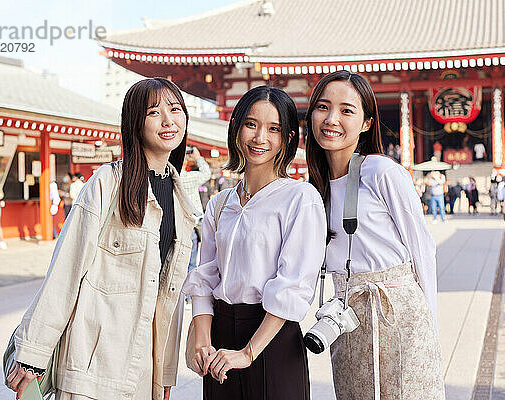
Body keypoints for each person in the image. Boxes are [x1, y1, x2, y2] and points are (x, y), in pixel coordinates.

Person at [6, 77, 198, 400]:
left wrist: (165, 373)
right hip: (92, 368)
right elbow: (65, 270)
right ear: (135, 124)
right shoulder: (107, 185)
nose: (168, 120)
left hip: (142, 370)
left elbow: (169, 298)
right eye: (154, 112)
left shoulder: (182, 201)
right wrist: (31, 353)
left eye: (175, 109)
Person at [305, 71, 444, 399]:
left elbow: (422, 248)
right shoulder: (313, 189)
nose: (331, 119)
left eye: (346, 110)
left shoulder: (382, 172)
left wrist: (430, 327)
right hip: (347, 317)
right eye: (323, 107)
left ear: (367, 123)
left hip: (397, 312)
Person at [182, 86, 326, 400]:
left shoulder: (301, 199)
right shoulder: (219, 204)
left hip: (272, 338)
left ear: (288, 138)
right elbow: (205, 278)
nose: (259, 137)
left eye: (273, 129)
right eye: (251, 124)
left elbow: (294, 285)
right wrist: (202, 342)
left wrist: (248, 353)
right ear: (236, 129)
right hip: (220, 341)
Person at [180, 146, 211, 277]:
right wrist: (198, 157)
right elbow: (206, 173)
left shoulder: (168, 177)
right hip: (192, 226)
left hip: (177, 227)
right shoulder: (187, 177)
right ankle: (187, 295)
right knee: (191, 265)